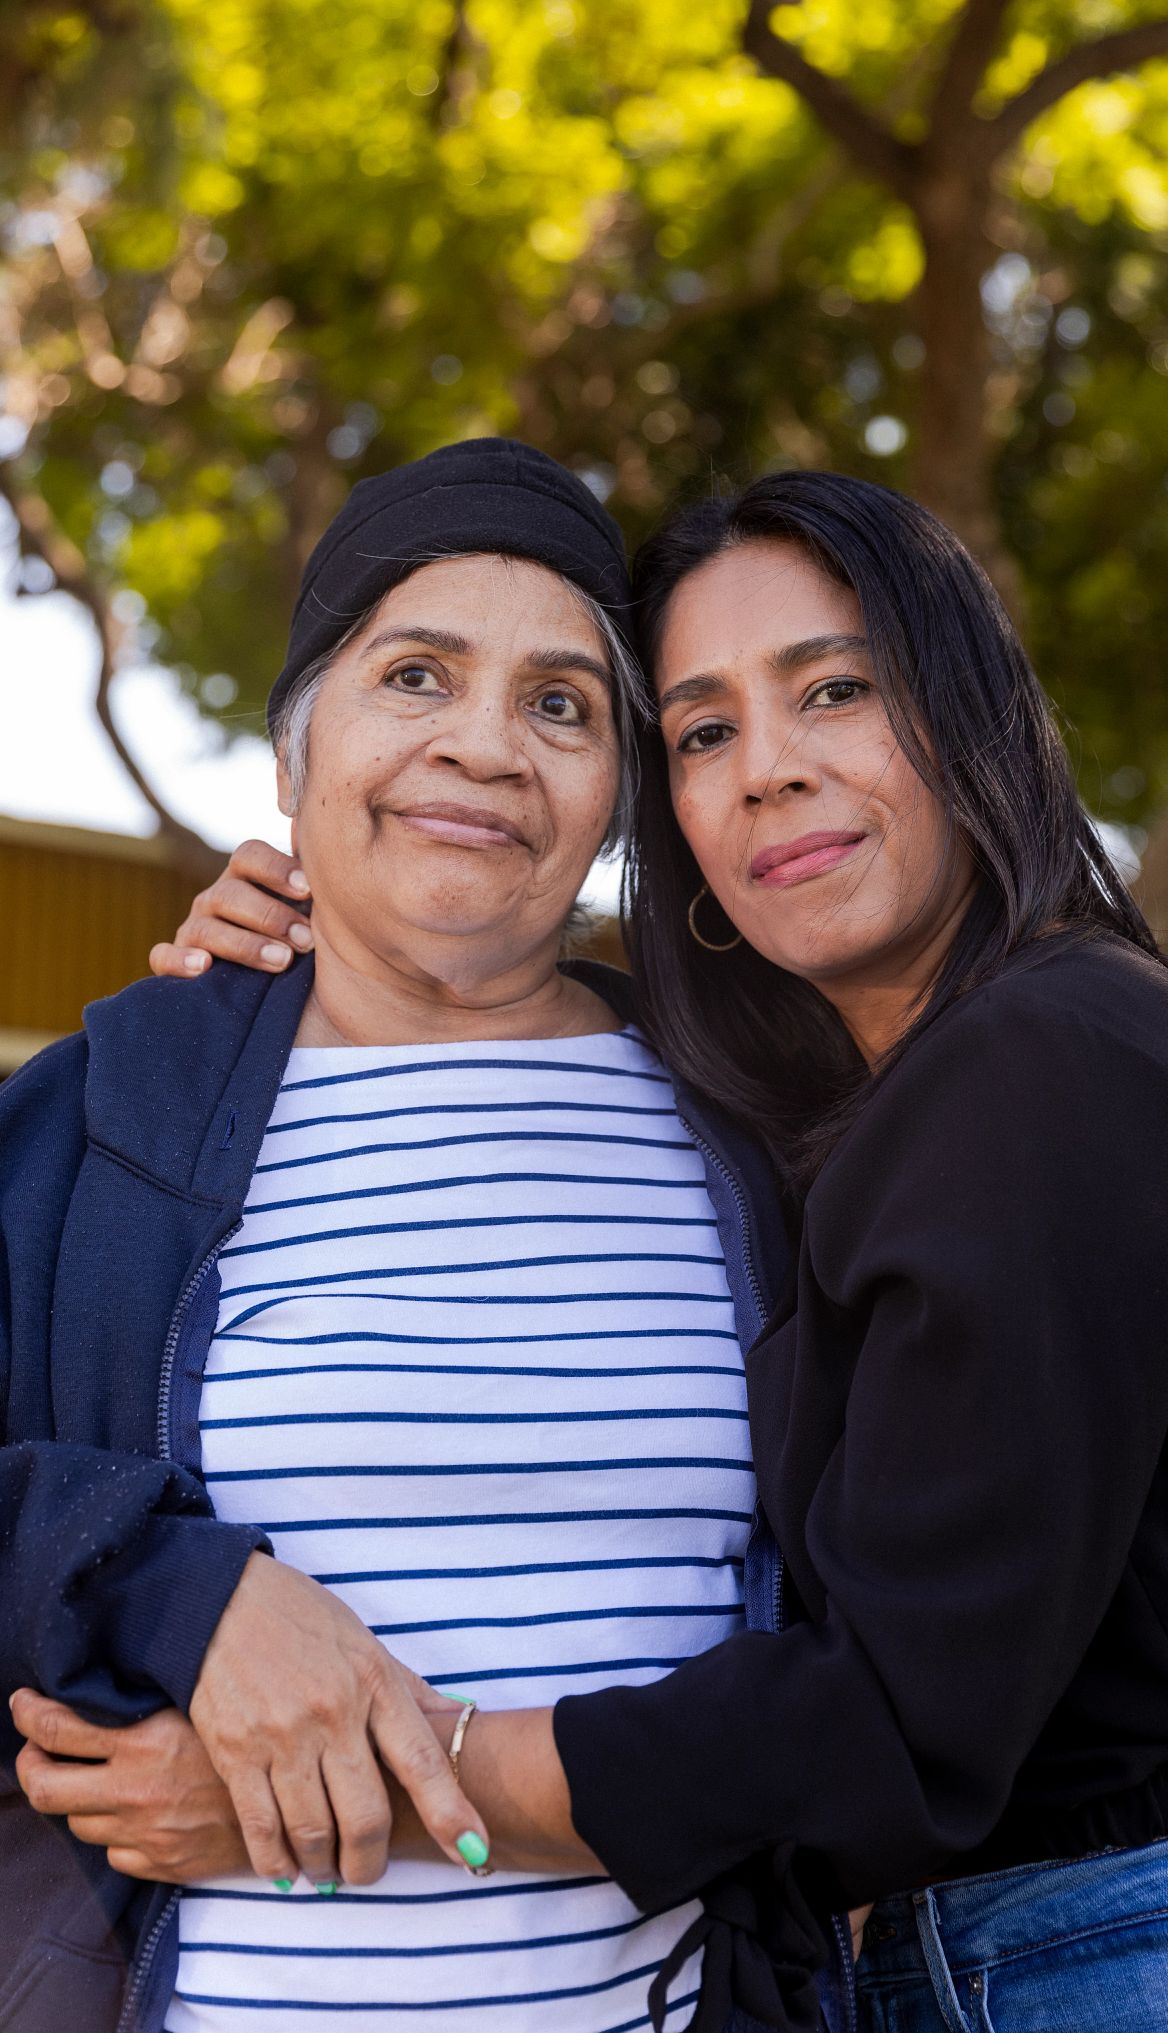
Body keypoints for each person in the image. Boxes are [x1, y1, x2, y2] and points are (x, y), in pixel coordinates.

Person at [120, 466, 1168, 2033]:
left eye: (836, 690)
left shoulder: (1032, 1060)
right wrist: (316, 944)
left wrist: (364, 1771)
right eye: (702, 729)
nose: (770, 772)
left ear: (970, 708)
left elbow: (886, 1716)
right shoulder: (839, 1111)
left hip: (1074, 1958)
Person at [1, 439, 818, 2033]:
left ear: (620, 797)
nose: (486, 746)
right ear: (294, 752)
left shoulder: (760, 1127)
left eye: (563, 703)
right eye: (417, 673)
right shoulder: (110, 1112)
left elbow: (880, 1662)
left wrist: (408, 1787)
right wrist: (176, 1584)